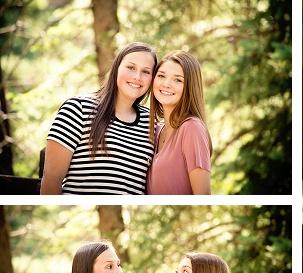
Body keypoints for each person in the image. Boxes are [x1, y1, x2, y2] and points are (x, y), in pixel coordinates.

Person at [41, 42, 157, 195]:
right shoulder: (78, 109)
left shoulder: (151, 123)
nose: (137, 77)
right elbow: (52, 178)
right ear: (116, 68)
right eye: (131, 67)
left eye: (146, 72)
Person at [146, 50, 212, 195]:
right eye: (161, 76)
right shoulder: (156, 130)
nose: (166, 84)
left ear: (189, 87)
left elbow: (203, 196)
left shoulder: (192, 128)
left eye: (178, 80)